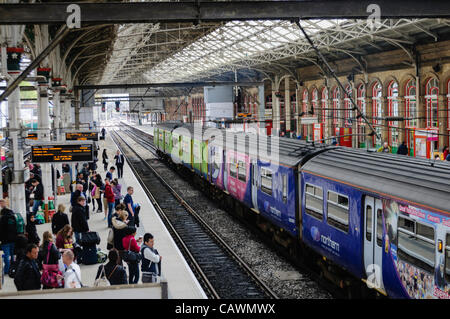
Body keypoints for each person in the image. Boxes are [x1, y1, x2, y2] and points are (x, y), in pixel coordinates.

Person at [0, 198, 18, 275]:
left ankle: (7, 270)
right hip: (13, 239)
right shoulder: (13, 216)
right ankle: (13, 268)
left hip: (5, 240)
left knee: (6, 256)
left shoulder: (2, 219)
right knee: (12, 255)